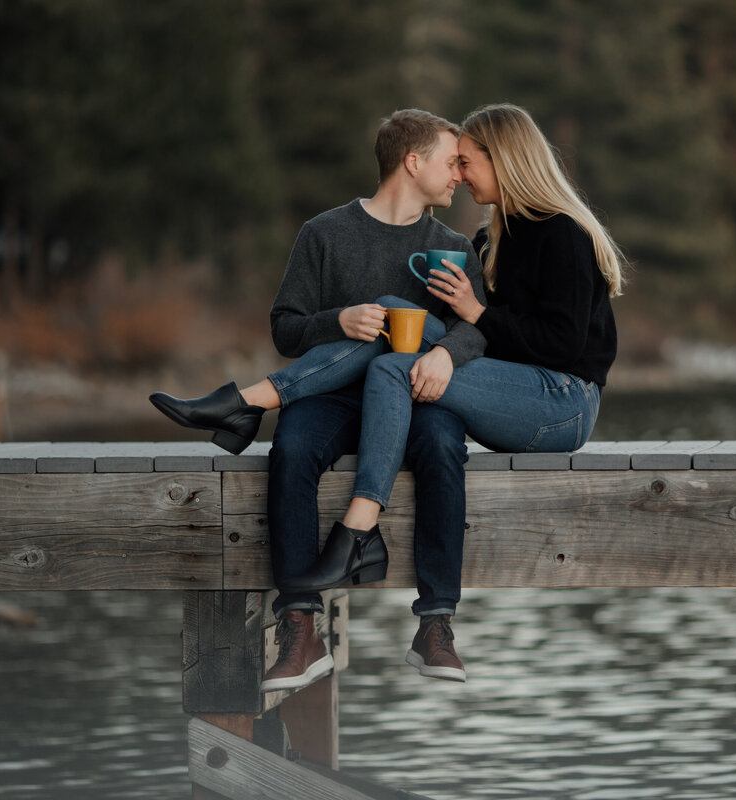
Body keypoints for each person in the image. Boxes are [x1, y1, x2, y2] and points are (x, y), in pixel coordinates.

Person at [149, 109, 488, 689]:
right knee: (294, 444)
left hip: (416, 399)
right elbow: (284, 328)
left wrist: (445, 354)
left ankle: (436, 625)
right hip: (330, 395)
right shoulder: (324, 233)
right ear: (412, 162)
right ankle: (300, 630)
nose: (458, 173)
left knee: (442, 444)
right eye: (449, 161)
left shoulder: (453, 246)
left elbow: (478, 331)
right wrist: (339, 320)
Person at [286, 103, 624, 679]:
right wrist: (454, 335)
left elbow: (563, 345)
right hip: (519, 390)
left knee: (396, 368)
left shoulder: (561, 233)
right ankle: (343, 564)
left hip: (564, 402)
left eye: (468, 163)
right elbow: (499, 345)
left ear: (505, 159)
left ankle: (358, 528)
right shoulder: (496, 237)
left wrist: (471, 316)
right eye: (455, 163)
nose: (461, 175)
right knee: (397, 318)